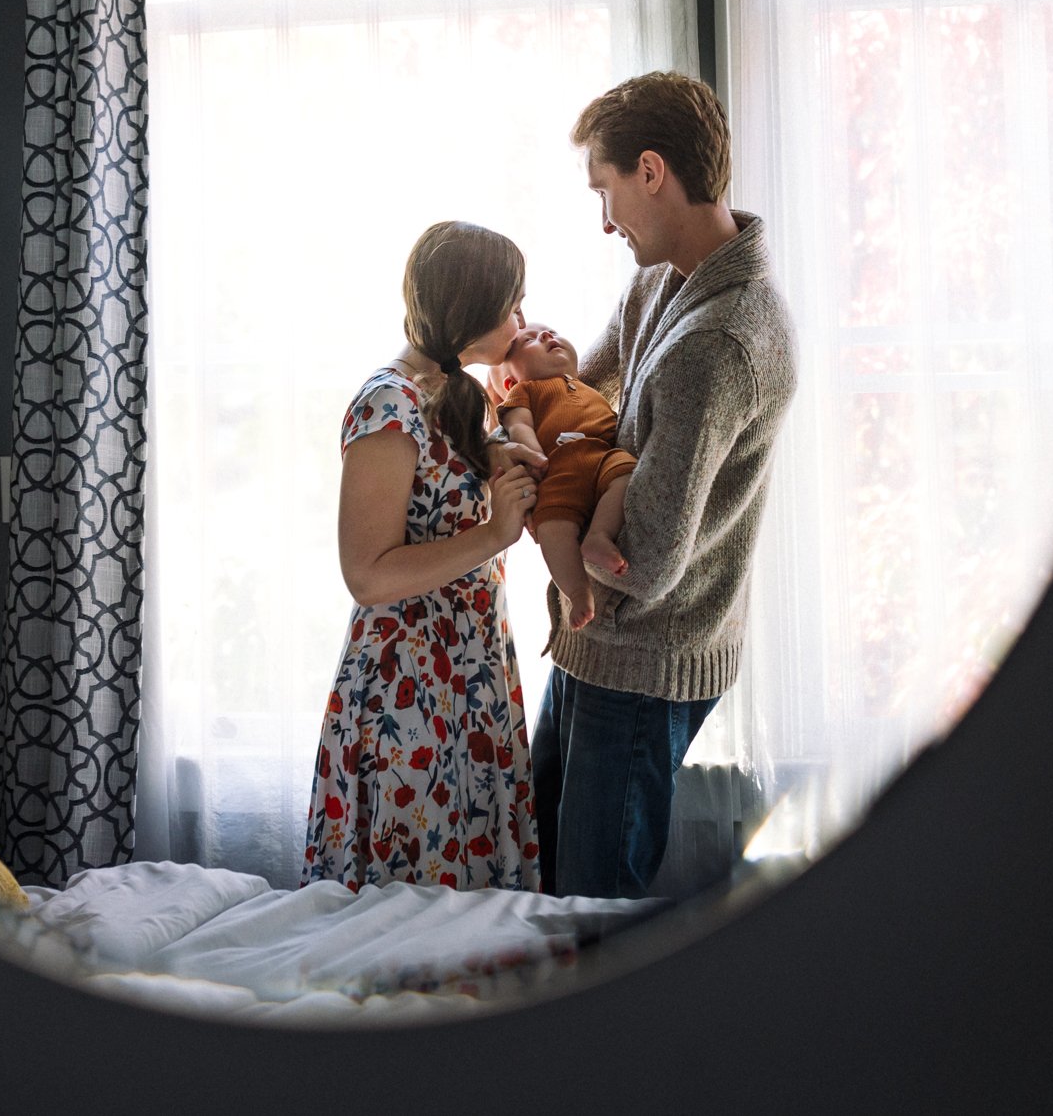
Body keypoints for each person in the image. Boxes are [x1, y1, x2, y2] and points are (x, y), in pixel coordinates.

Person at [530, 71, 794, 899]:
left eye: (605, 192)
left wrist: (545, 511)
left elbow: (640, 561)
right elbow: (593, 387)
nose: (604, 223)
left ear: (652, 170)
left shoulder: (721, 344)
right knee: (542, 875)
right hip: (598, 642)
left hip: (641, 656)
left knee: (587, 912)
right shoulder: (662, 277)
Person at [303, 220, 542, 891]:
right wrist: (491, 536)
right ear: (470, 311)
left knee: (475, 921)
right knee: (412, 915)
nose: (523, 319)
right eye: (512, 304)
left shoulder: (464, 397)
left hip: (473, 675)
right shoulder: (391, 404)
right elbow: (368, 573)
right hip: (410, 694)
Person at [494, 322, 634, 634]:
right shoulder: (524, 390)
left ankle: (599, 535)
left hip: (602, 457)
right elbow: (519, 428)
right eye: (530, 339)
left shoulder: (588, 388)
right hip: (558, 464)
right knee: (553, 526)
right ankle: (576, 590)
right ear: (509, 381)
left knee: (626, 473)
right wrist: (535, 456)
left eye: (552, 332)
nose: (546, 336)